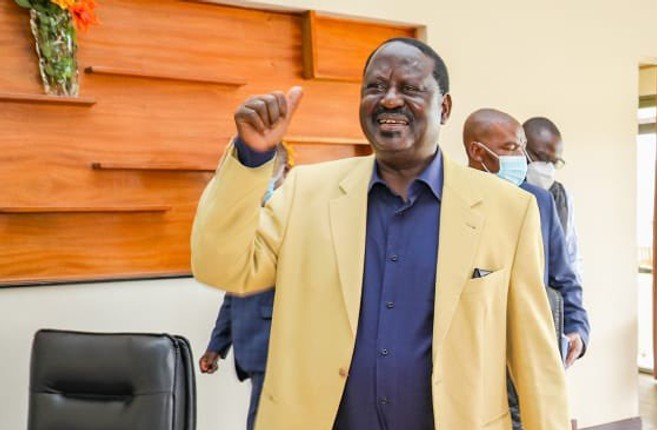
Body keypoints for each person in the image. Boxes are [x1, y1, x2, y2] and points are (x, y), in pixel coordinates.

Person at [191, 38, 569, 430]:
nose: (389, 100)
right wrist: (251, 158)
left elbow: (537, 362)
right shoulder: (305, 192)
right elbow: (221, 266)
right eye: (375, 87)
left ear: (444, 107)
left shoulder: (508, 209)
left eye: (409, 88)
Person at [463, 108, 590, 429]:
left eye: (522, 146)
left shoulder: (540, 201)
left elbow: (564, 274)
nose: (522, 157)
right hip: (473, 360)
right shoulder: (450, 201)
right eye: (511, 148)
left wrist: (577, 327)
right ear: (477, 152)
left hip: (530, 353)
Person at [198, 143, 293, 430]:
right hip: (250, 343)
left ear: (284, 173)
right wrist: (217, 345)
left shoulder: (293, 220)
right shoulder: (243, 218)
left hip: (277, 346)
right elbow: (235, 286)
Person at [523, 116, 583, 278]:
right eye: (542, 158)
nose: (547, 167)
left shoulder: (562, 197)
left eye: (554, 162)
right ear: (521, 149)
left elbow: (571, 255)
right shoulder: (505, 191)